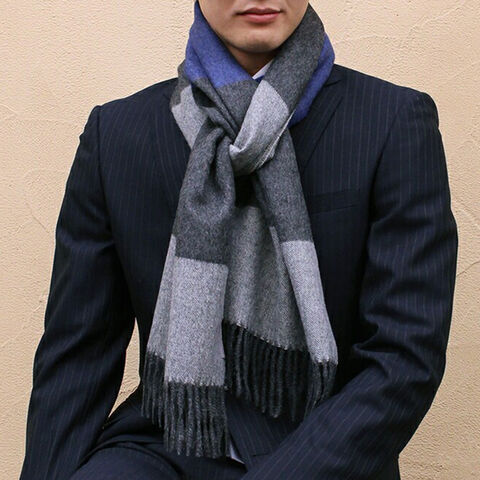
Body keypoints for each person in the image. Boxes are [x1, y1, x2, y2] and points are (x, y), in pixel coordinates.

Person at [19, 1, 458, 479]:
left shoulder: (391, 122)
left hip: (321, 453)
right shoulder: (118, 134)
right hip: (166, 441)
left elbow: (404, 358)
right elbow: (77, 353)